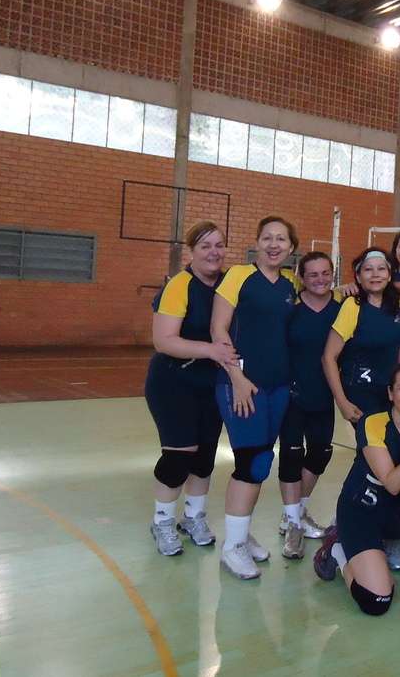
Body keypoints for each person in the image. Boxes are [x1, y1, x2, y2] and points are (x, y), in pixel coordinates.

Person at [312, 362, 400, 615]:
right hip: (361, 514)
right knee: (376, 601)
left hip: (397, 514)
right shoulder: (373, 423)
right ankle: (338, 550)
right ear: (391, 393)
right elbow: (392, 483)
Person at [210, 215, 299, 579]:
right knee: (250, 463)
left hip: (278, 386)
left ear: (292, 248)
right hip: (242, 384)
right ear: (257, 242)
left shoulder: (290, 283)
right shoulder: (238, 277)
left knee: (262, 460)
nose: (274, 244)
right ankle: (231, 547)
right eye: (267, 238)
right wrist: (237, 377)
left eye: (281, 239)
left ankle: (241, 535)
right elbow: (218, 328)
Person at [145, 221, 239, 556]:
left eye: (219, 245)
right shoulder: (180, 286)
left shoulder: (229, 284)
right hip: (173, 381)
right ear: (192, 251)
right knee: (177, 458)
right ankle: (163, 521)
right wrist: (210, 351)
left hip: (209, 383)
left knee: (203, 458)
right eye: (205, 246)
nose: (214, 252)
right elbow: (163, 340)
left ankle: (193, 517)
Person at [277, 251, 341, 559]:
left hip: (323, 395)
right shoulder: (290, 308)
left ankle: (297, 511)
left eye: (325, 273)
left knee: (319, 454)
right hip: (291, 395)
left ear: (332, 274)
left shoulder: (342, 310)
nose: (319, 279)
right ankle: (292, 523)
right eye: (312, 274)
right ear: (301, 277)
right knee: (291, 456)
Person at [323, 248, 400, 422]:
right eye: (368, 269)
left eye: (381, 269)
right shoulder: (353, 306)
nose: (375, 274)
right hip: (361, 393)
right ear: (359, 277)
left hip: (392, 392)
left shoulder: (397, 305)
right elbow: (328, 357)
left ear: (390, 275)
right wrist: (342, 402)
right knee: (371, 446)